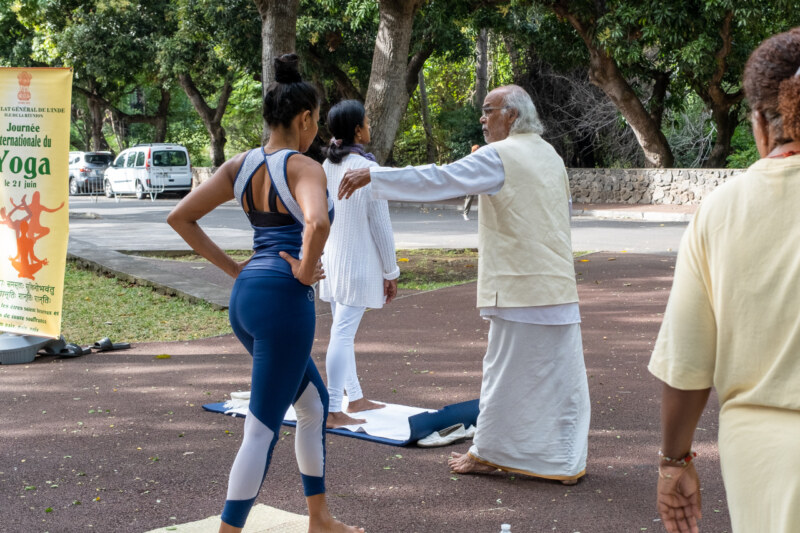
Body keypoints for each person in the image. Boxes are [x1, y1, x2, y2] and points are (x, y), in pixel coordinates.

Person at [339, 85, 590, 485]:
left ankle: (488, 453)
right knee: (560, 379)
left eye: (488, 111)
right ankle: (565, 460)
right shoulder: (548, 153)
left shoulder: (500, 155)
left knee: (504, 374)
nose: (482, 119)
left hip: (519, 289)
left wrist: (376, 174)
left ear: (511, 116)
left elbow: (440, 179)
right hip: (556, 286)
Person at [168, 54, 363, 533]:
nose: (316, 130)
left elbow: (180, 218)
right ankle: (228, 530)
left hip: (248, 299)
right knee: (261, 428)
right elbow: (317, 222)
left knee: (314, 405)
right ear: (304, 118)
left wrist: (237, 269)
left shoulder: (240, 165)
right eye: (316, 121)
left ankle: (320, 518)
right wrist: (304, 270)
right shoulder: (304, 167)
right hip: (282, 302)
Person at [648, 28, 800, 533]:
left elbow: (687, 364)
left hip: (763, 454)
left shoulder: (721, 210)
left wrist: (675, 463)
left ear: (759, 121)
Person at [318, 100, 400, 428]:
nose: (370, 126)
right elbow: (381, 225)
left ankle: (355, 397)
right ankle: (333, 407)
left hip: (332, 262)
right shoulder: (367, 170)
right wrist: (391, 271)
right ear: (356, 130)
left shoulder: (324, 167)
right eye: (366, 122)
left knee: (342, 332)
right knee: (342, 333)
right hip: (355, 266)